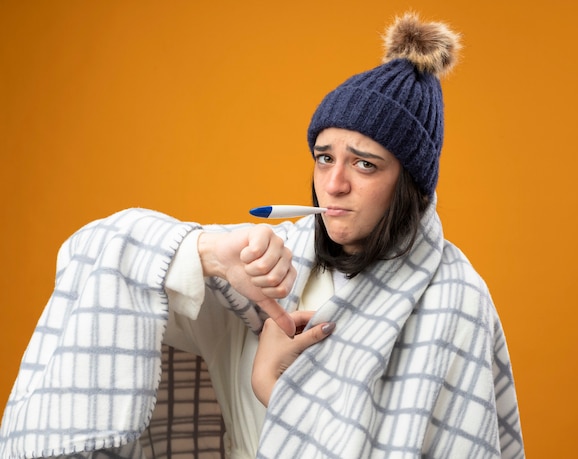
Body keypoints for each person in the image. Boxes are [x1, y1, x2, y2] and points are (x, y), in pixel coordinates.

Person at [0, 11, 524, 459]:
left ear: (408, 183)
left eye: (365, 165)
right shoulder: (271, 261)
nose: (334, 184)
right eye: (324, 157)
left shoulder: (455, 301)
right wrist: (205, 252)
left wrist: (270, 385)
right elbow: (95, 256)